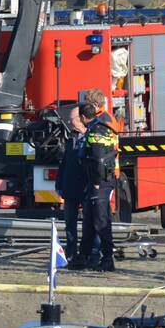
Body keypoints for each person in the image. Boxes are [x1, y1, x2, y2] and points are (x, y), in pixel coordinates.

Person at [75, 102, 119, 272]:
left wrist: (96, 181)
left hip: (99, 183)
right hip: (97, 182)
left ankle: (108, 259)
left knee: (101, 221)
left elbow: (98, 160)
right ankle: (83, 257)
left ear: (83, 117)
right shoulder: (98, 129)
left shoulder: (96, 132)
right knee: (89, 221)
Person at [57, 105, 88, 263]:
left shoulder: (91, 136)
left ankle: (86, 253)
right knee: (70, 224)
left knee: (89, 223)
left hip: (86, 186)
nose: (69, 122)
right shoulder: (72, 138)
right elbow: (65, 163)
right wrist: (59, 184)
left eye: (72, 119)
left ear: (81, 119)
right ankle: (71, 253)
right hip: (70, 187)